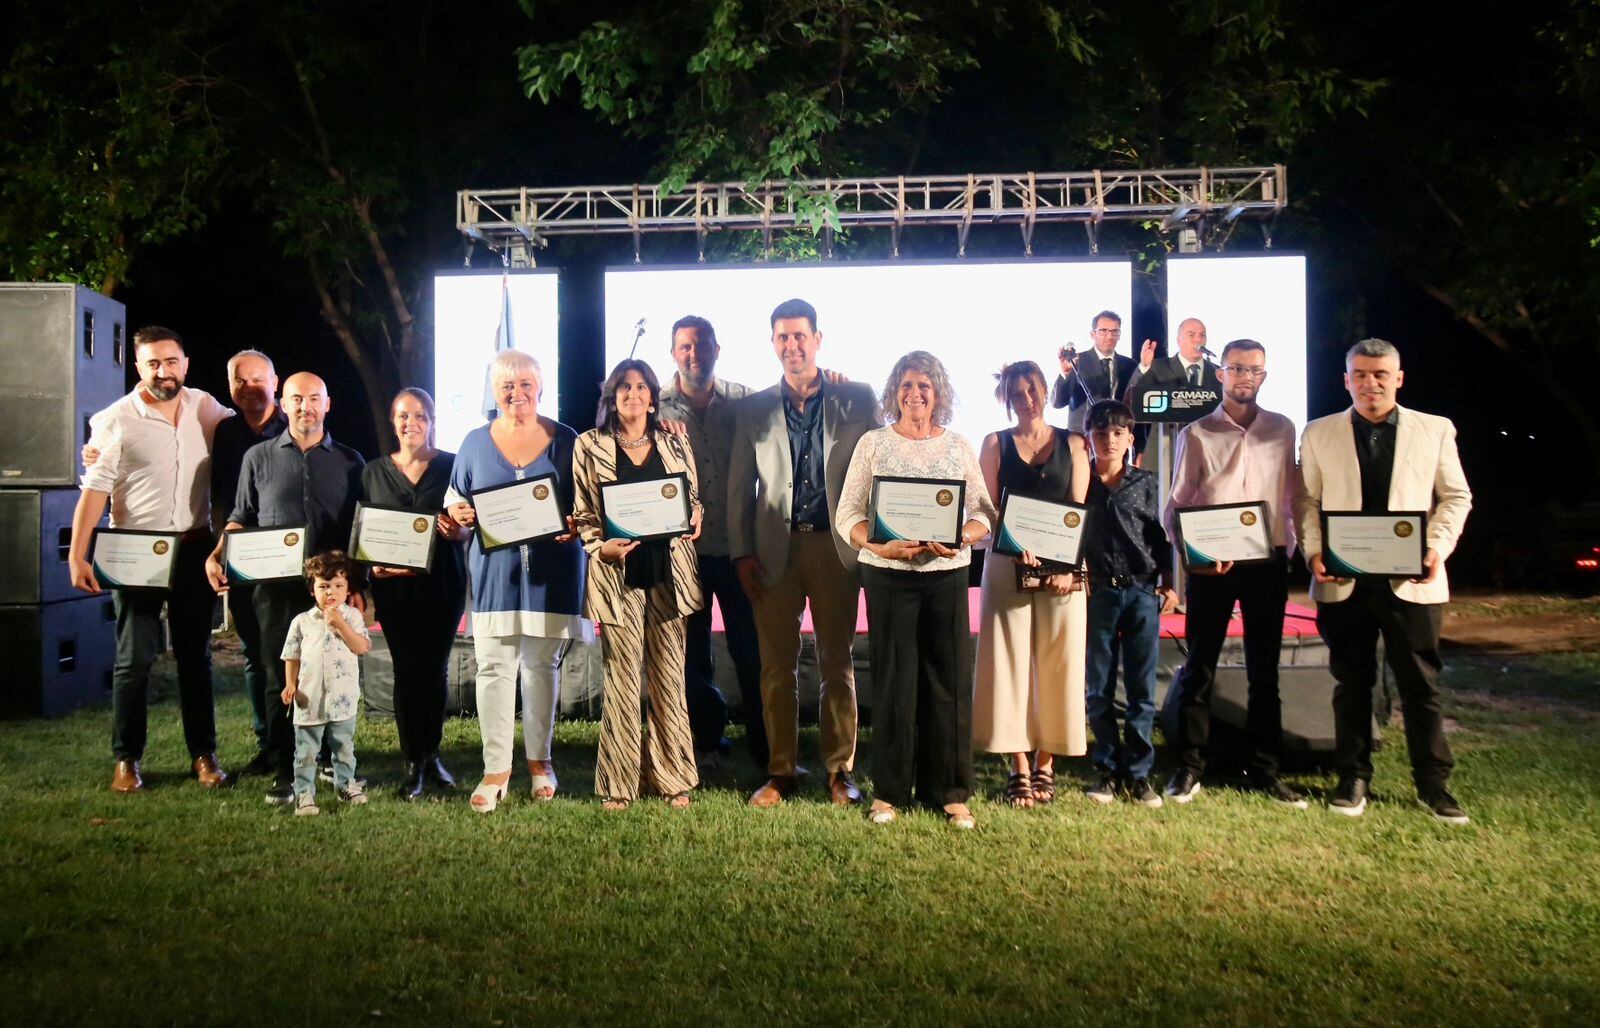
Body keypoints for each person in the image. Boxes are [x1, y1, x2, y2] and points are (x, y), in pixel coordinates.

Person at [1294, 338, 1473, 824]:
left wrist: (1435, 549)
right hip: (1343, 580)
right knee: (1352, 683)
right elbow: (1306, 501)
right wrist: (1313, 552)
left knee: (1420, 685)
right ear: (1345, 379)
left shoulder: (1434, 430)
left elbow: (1455, 498)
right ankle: (1352, 778)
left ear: (1399, 378)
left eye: (1380, 374)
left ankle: (1433, 785)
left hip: (1413, 580)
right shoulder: (1318, 433)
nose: (1370, 383)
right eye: (1360, 374)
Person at [66, 326, 233, 793]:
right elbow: (94, 492)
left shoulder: (206, 407)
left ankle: (204, 755)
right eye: (153, 363)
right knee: (134, 659)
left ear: (185, 363)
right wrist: (79, 555)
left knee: (194, 658)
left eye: (171, 361)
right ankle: (127, 760)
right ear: (137, 368)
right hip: (135, 549)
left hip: (195, 547)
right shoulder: (115, 419)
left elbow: (246, 434)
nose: (164, 371)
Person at [728, 298, 879, 808]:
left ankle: (841, 771)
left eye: (800, 336)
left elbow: (879, 471)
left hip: (835, 548)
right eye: (782, 337)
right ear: (773, 343)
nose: (792, 345)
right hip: (773, 552)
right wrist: (741, 553)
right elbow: (737, 488)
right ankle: (781, 770)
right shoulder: (752, 408)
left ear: (818, 339)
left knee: (839, 664)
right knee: (776, 667)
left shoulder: (856, 398)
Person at [836, 351, 995, 829]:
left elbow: (983, 513)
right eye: (907, 385)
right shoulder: (873, 444)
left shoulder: (959, 447)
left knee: (947, 686)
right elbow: (848, 514)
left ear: (939, 393)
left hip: (946, 576)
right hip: (888, 577)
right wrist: (882, 549)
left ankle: (949, 792)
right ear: (894, 393)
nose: (915, 394)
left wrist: (959, 539)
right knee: (893, 685)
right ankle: (888, 792)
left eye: (925, 385)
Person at [206, 371, 366, 806]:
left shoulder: (352, 461)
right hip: (273, 593)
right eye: (296, 399)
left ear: (327, 404)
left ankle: (335, 760)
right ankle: (283, 768)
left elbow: (360, 531)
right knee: (281, 677)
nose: (305, 407)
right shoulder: (257, 457)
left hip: (331, 592)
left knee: (335, 676)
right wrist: (220, 552)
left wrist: (358, 586)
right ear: (284, 401)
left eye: (314, 398)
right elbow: (240, 515)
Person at [1162, 339, 1306, 808]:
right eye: (1238, 368)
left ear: (1265, 376)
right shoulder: (1198, 432)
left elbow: (1293, 499)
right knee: (1199, 666)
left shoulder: (1283, 430)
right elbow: (1177, 506)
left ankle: (1266, 770)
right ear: (1219, 373)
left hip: (1268, 563)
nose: (1247, 377)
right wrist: (1197, 554)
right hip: (1213, 566)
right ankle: (1189, 768)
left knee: (1265, 670)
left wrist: (1291, 548)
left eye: (1256, 370)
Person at [446, 350, 590, 813]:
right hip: (494, 578)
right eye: (507, 386)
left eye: (525, 384)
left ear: (540, 388)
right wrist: (458, 514)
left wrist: (575, 522)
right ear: (494, 391)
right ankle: (495, 770)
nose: (516, 394)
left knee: (541, 668)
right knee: (493, 668)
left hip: (553, 575)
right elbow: (455, 503)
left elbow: (584, 504)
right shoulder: (473, 442)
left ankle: (539, 762)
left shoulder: (566, 439)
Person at [572, 359, 705, 810]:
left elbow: (694, 500)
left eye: (642, 386)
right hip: (617, 575)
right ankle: (619, 784)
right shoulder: (589, 445)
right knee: (623, 681)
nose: (633, 394)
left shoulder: (674, 442)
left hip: (669, 574)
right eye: (624, 387)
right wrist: (598, 546)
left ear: (653, 396)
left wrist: (697, 515)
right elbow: (585, 514)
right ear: (613, 396)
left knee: (669, 678)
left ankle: (673, 779)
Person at [975, 361, 1090, 808]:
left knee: (1059, 664)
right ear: (1006, 397)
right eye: (1017, 393)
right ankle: (1018, 766)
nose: (1027, 399)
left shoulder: (1075, 443)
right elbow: (987, 510)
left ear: (1045, 390)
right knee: (1008, 665)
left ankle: (1047, 763)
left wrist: (1066, 566)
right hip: (1008, 565)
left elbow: (1076, 510)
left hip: (1064, 570)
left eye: (1033, 389)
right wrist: (1015, 541)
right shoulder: (994, 444)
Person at [656, 315, 766, 770]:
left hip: (740, 547)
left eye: (701, 345)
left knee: (751, 649)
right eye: (684, 346)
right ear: (673, 352)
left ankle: (765, 744)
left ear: (717, 350)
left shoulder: (746, 401)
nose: (693, 354)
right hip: (684, 553)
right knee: (691, 655)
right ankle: (707, 739)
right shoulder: (652, 406)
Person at [361, 388, 468, 800]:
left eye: (420, 415)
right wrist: (371, 566)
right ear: (393, 421)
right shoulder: (372, 472)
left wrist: (459, 532)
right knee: (407, 671)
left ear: (433, 420)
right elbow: (363, 533)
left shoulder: (454, 466)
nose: (412, 423)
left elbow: (468, 524)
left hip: (443, 584)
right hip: (395, 590)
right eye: (403, 416)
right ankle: (412, 760)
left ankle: (432, 755)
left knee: (436, 670)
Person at [1079, 400, 1179, 808]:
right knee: (1098, 687)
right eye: (1100, 433)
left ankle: (1138, 773)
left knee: (1141, 687)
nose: (1108, 440)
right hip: (1098, 592)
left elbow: (1163, 538)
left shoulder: (1149, 484)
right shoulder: (1080, 482)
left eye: (1117, 433)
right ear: (1089, 437)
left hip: (1141, 591)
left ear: (1130, 438)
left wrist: (1171, 585)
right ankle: (1106, 768)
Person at [211, 349, 288, 776]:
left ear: (275, 382)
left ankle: (306, 744)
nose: (250, 387)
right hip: (242, 559)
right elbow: (222, 499)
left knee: (295, 655)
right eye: (240, 380)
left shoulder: (295, 422)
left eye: (258, 379)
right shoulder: (224, 432)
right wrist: (221, 550)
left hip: (290, 562)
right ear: (230, 388)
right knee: (255, 656)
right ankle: (268, 745)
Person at [280, 550, 372, 816]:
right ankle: (304, 794)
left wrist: (341, 624)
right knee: (306, 751)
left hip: (342, 699)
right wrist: (290, 684)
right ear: (312, 590)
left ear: (347, 588)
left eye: (338, 586)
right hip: (309, 699)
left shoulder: (352, 617)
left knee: (344, 747)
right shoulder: (302, 622)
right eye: (323, 586)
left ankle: (346, 786)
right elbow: (292, 655)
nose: (330, 592)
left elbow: (362, 646)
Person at [1052, 310, 1138, 433]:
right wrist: (1065, 373)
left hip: (1117, 438)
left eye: (1114, 332)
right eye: (1103, 331)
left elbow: (1134, 408)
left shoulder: (1129, 365)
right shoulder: (1077, 361)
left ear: (1119, 335)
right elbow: (1057, 403)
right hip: (1081, 439)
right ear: (1093, 334)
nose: (1109, 336)